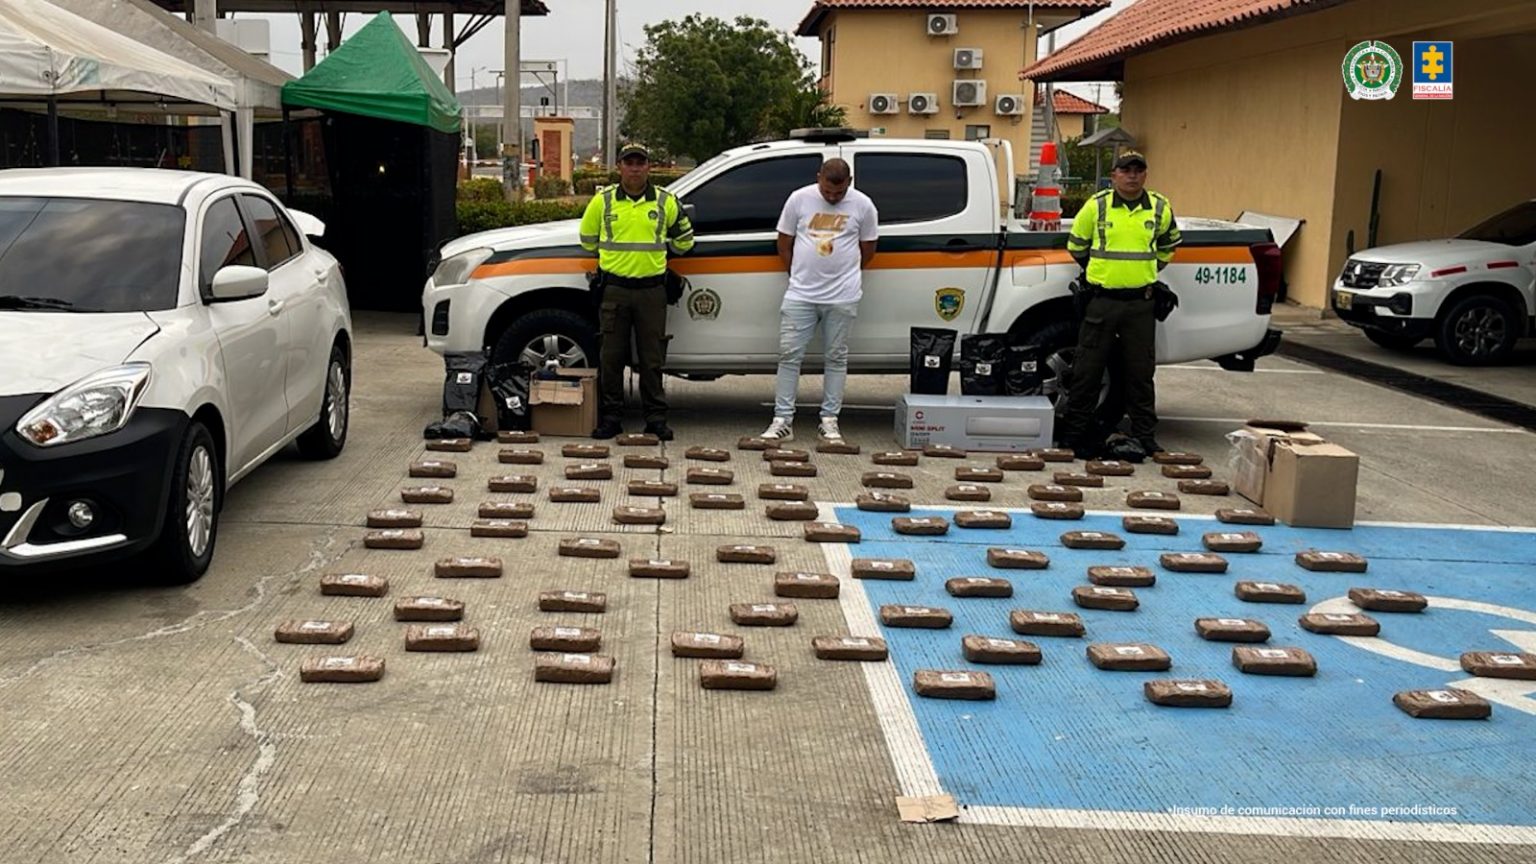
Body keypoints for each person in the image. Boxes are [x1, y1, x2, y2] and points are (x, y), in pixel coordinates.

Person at [1057, 150, 1181, 459]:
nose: (1132, 175)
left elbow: (1169, 244)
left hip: (1141, 303)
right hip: (1102, 301)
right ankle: (1074, 435)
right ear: (1114, 176)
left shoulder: (1160, 207)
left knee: (1140, 373)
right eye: (1125, 170)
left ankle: (1145, 436)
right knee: (1087, 371)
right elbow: (1076, 245)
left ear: (1145, 175)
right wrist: (1100, 273)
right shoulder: (1096, 206)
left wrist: (1149, 271)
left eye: (1138, 170)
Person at [757, 158, 878, 443]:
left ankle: (829, 419)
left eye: (839, 193)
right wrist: (798, 274)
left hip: (843, 296)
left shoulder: (863, 205)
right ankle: (782, 419)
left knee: (836, 357)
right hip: (801, 293)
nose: (833, 198)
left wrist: (845, 275)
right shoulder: (799, 199)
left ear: (849, 182)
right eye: (827, 192)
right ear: (818, 179)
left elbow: (868, 250)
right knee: (789, 356)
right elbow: (784, 243)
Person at [579, 143, 694, 440]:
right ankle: (611, 418)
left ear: (648, 167)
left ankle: (655, 419)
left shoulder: (665, 202)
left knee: (652, 359)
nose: (634, 168)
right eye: (629, 163)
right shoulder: (602, 202)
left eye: (640, 163)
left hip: (651, 291)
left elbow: (684, 241)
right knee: (611, 358)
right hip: (614, 290)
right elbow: (587, 241)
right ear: (620, 167)